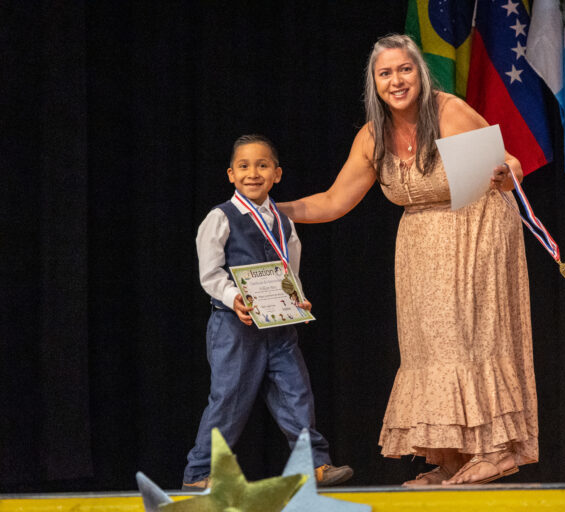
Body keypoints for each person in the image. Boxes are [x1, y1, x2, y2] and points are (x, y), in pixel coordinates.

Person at [278, 34, 537, 486]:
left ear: (420, 72)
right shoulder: (372, 135)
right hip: (419, 245)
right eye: (386, 73)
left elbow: (509, 164)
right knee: (429, 348)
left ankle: (496, 450)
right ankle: (452, 457)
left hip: (474, 227)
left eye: (405, 70)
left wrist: (505, 173)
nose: (396, 80)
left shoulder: (449, 111)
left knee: (471, 337)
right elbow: (335, 200)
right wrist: (269, 211)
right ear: (374, 83)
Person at [182, 134, 353, 490]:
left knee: (297, 393)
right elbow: (210, 273)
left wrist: (297, 299)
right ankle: (200, 472)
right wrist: (234, 299)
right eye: (243, 166)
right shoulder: (220, 217)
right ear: (231, 174)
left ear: (277, 173)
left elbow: (290, 272)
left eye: (262, 165)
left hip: (279, 326)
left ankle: (314, 465)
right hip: (235, 326)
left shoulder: (284, 223)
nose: (253, 173)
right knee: (229, 398)